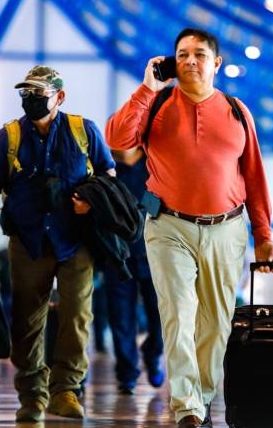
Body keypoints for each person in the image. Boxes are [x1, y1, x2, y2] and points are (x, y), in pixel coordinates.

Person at [106, 27, 273, 428]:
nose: (189, 62)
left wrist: (264, 236)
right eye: (181, 54)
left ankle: (201, 393)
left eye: (199, 55)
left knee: (216, 322)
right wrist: (146, 88)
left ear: (216, 63)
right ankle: (187, 407)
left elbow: (254, 175)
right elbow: (117, 136)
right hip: (168, 228)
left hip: (226, 230)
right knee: (178, 314)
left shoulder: (237, 111)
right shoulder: (157, 103)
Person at [0, 65, 115, 422]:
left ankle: (65, 388)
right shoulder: (6, 139)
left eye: (38, 93)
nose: (30, 99)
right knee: (26, 320)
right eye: (26, 93)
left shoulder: (84, 132)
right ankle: (32, 395)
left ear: (59, 97)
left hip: (76, 240)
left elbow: (109, 175)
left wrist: (93, 201)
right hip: (27, 241)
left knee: (78, 314)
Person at [105, 147, 165, 395]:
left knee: (161, 315)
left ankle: (153, 355)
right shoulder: (104, 167)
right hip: (117, 254)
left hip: (154, 254)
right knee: (121, 317)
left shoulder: (156, 163)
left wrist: (135, 212)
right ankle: (127, 373)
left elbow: (160, 202)